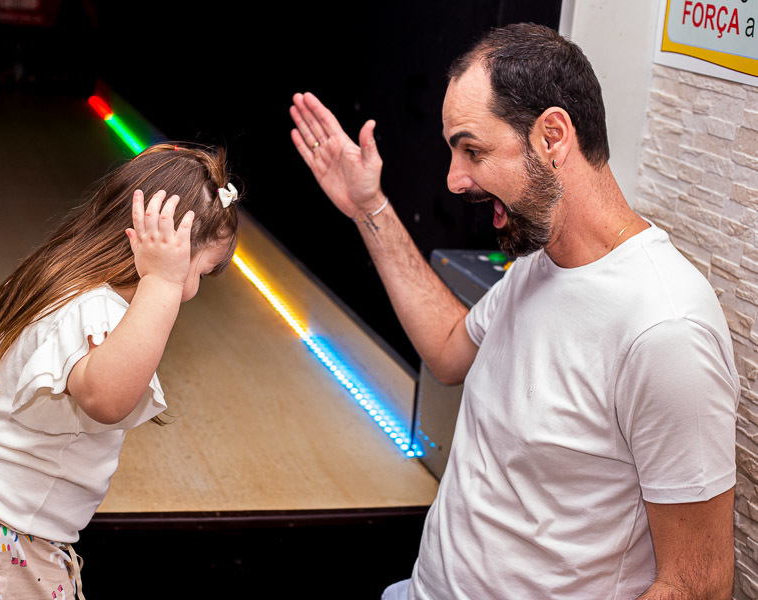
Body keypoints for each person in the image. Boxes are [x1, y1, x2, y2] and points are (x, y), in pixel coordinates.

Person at [289, 22, 739, 600]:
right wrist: (369, 207)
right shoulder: (540, 257)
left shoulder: (666, 329)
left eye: (472, 149)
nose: (454, 180)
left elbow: (698, 584)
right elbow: (450, 348)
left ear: (552, 137)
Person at [0, 143, 241, 599]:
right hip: (4, 538)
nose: (194, 289)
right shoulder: (98, 313)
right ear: (168, 252)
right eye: (200, 273)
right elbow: (107, 400)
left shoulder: (60, 274)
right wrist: (162, 284)